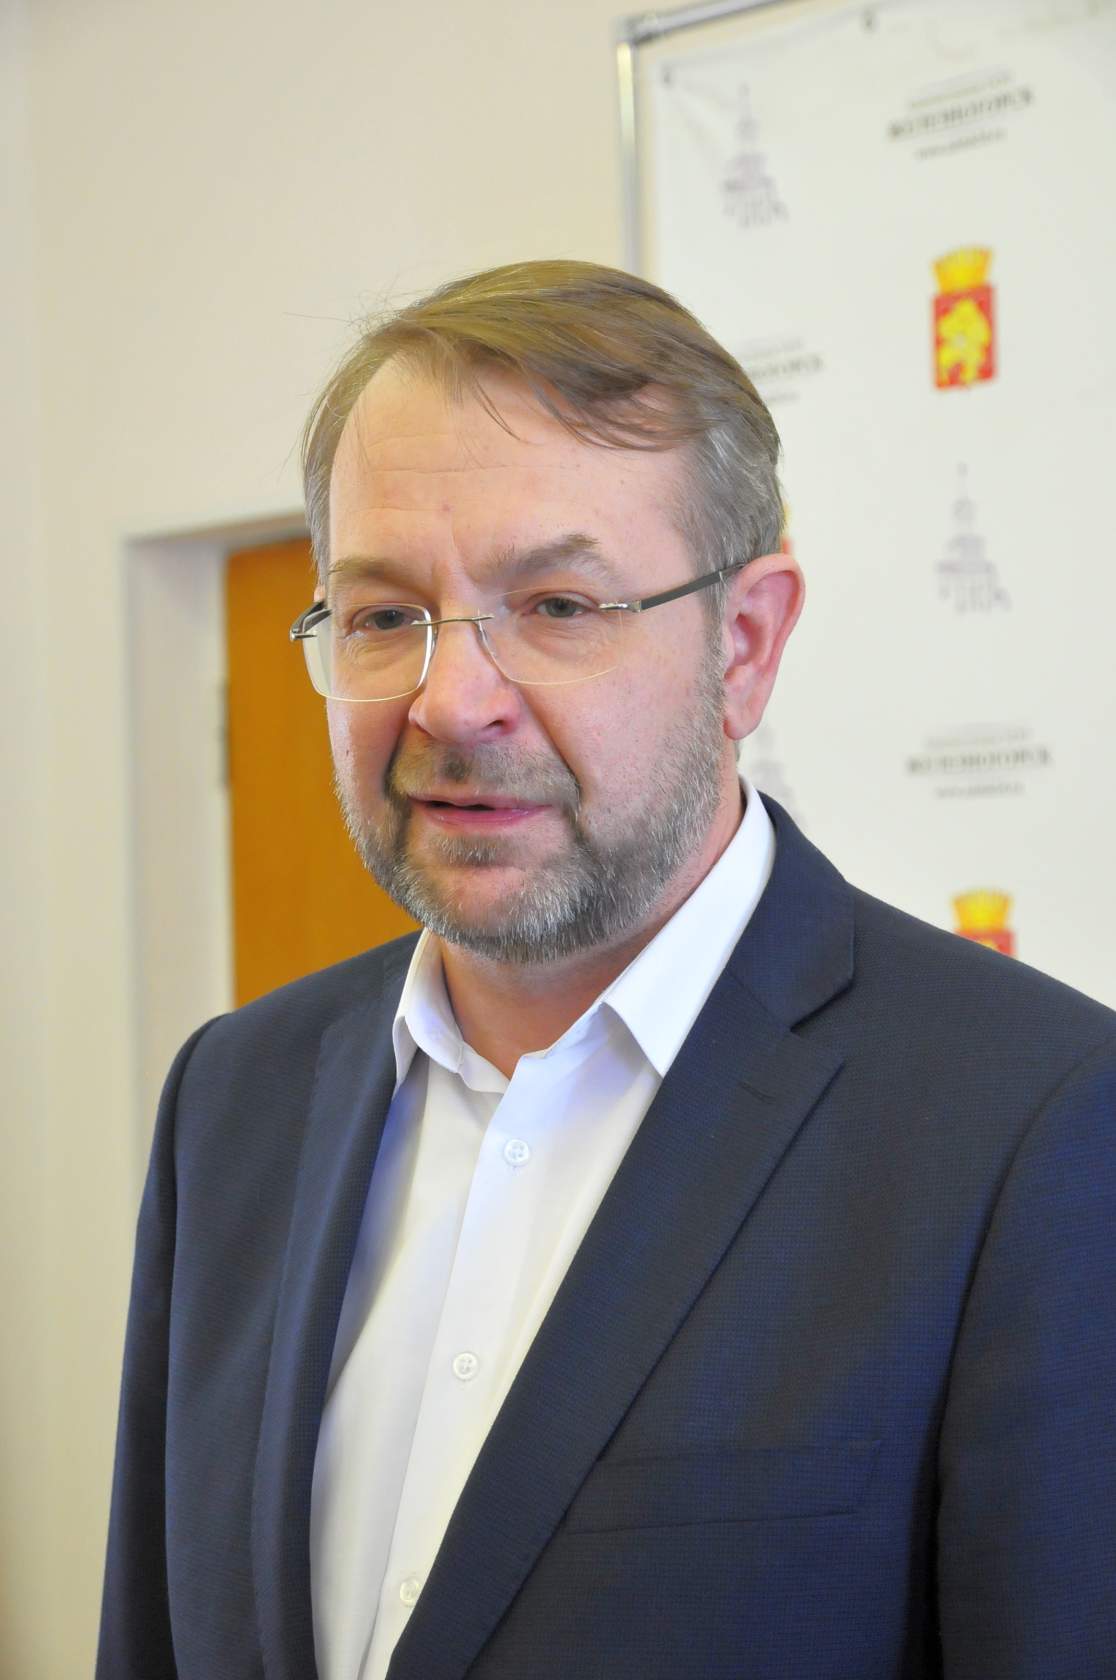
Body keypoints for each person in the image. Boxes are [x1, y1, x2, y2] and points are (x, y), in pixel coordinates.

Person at [97, 260, 1116, 1680]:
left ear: (744, 645)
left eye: (560, 606)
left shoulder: (1035, 1125)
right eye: (383, 615)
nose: (451, 700)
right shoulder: (233, 1098)